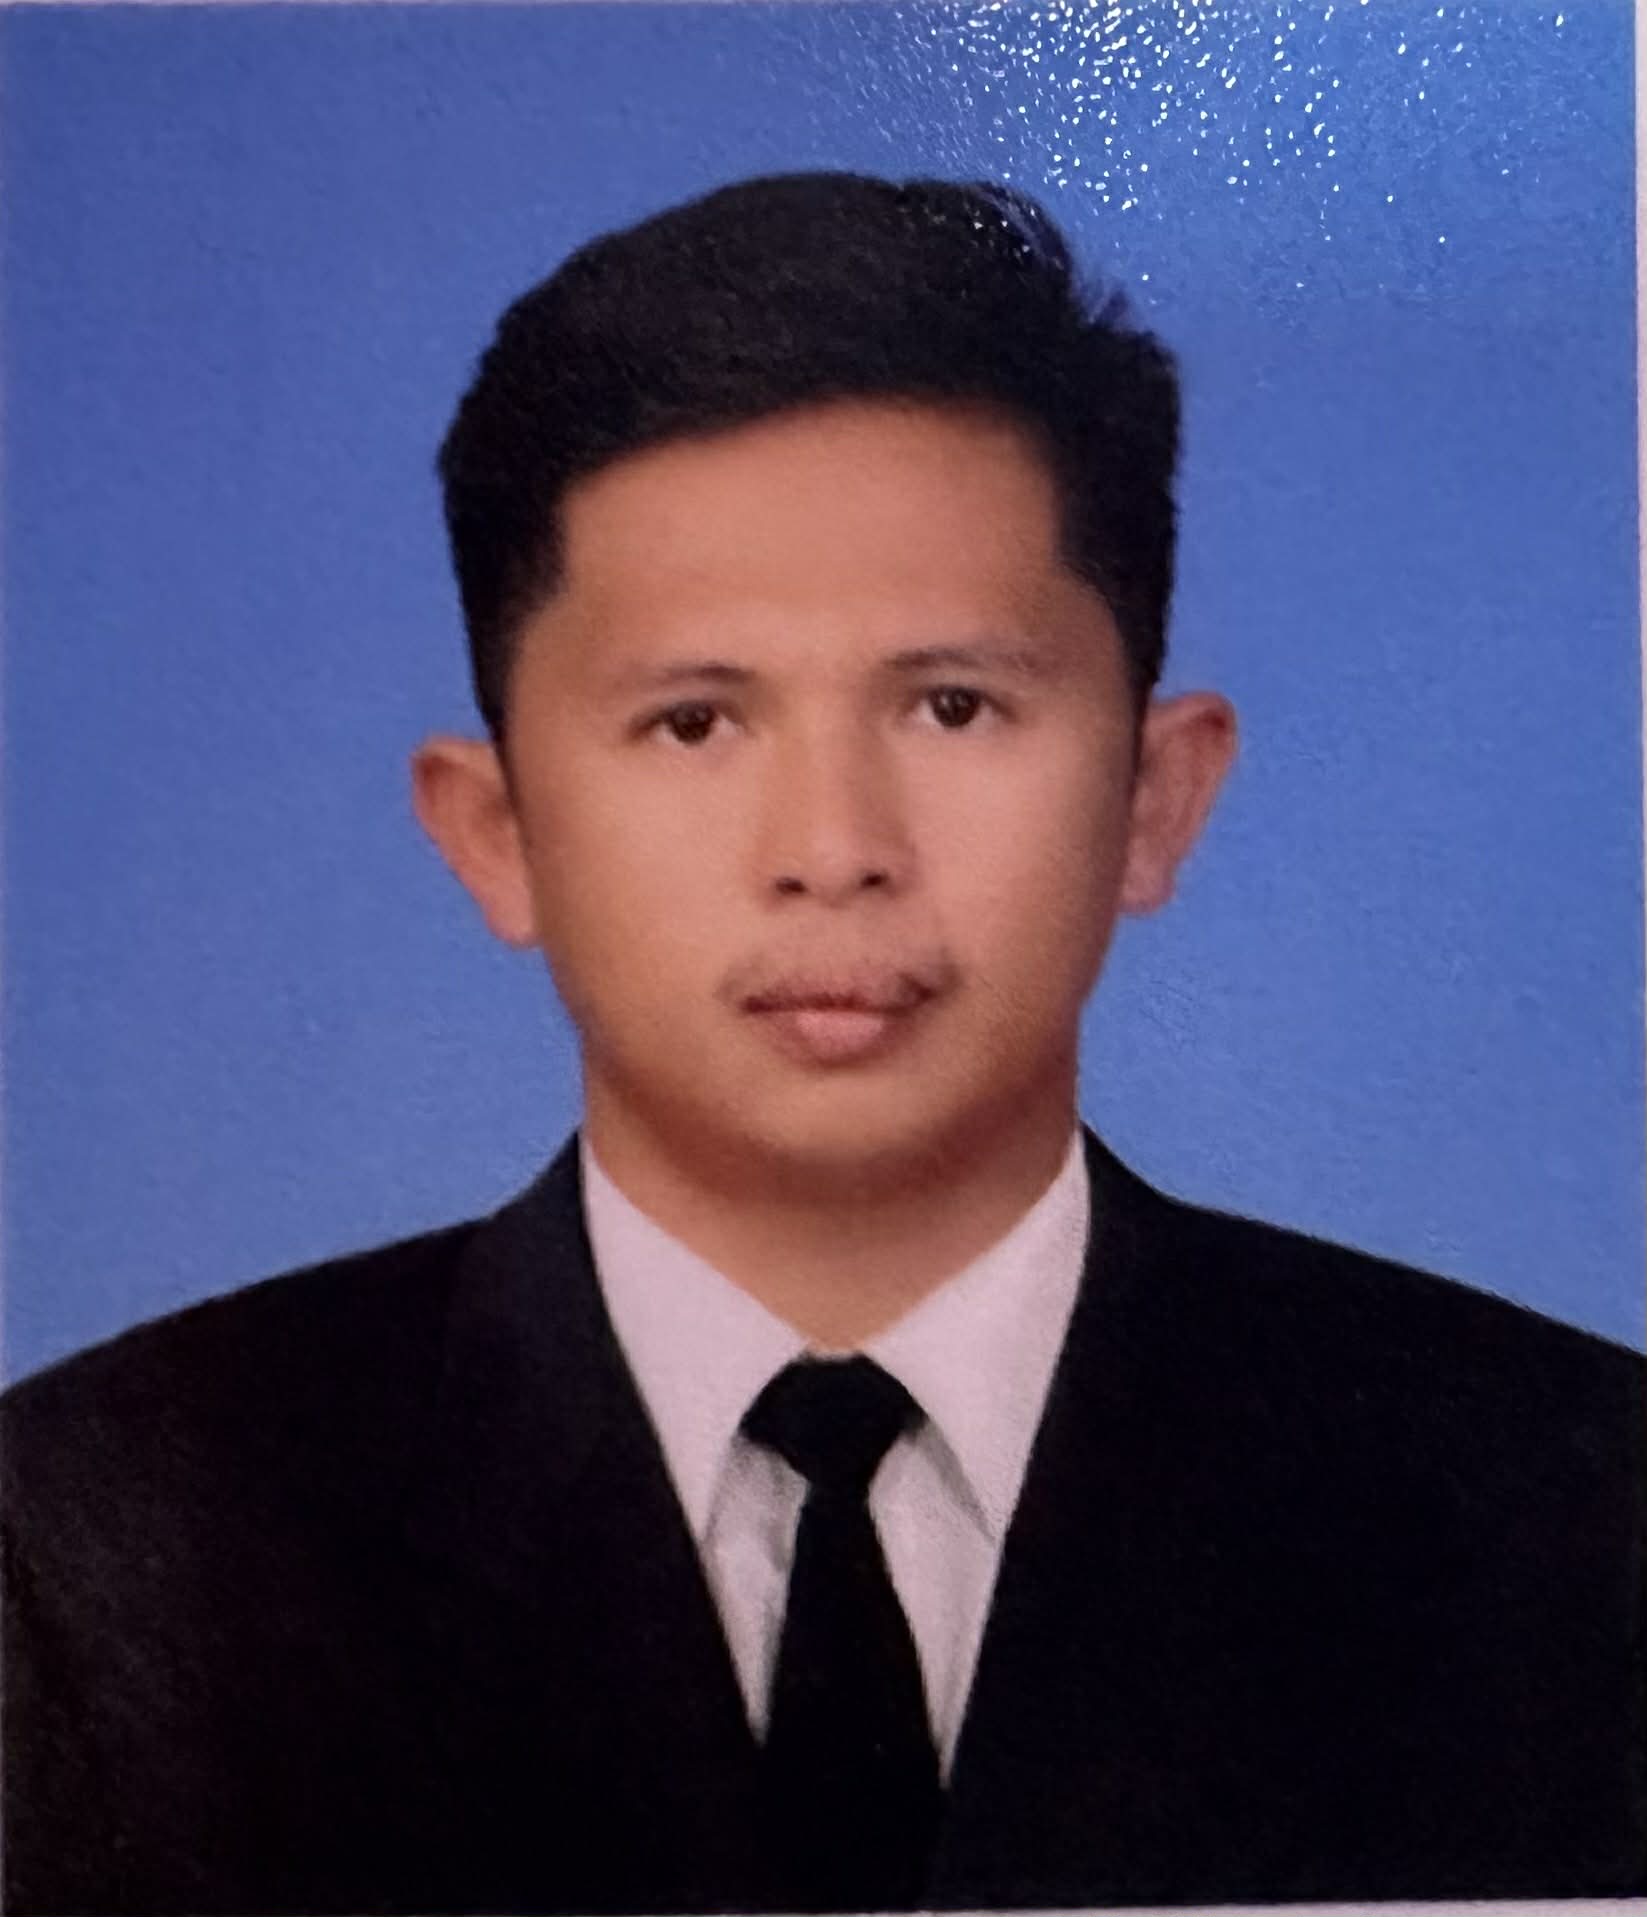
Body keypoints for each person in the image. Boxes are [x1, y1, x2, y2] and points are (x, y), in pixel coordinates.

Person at [2, 171, 1641, 1917]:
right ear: (497, 831)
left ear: (1156, 797)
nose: (834, 845)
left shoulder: (1571, 1513)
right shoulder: (99, 1548)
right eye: (693, 721)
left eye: (954, 705)